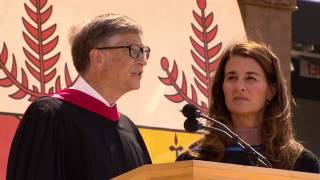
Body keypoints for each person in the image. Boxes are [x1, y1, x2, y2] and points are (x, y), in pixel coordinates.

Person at [7, 13, 152, 180]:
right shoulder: (50, 116)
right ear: (98, 58)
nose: (143, 60)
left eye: (143, 51)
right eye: (133, 50)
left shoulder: (130, 130)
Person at [177, 41, 320, 173]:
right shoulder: (194, 161)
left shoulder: (303, 164)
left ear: (271, 90)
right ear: (222, 88)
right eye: (231, 77)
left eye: (250, 78)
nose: (239, 87)